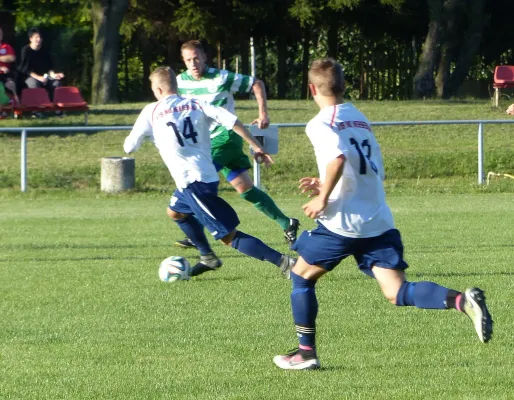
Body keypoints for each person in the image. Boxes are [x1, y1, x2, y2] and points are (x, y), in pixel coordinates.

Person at [272, 58, 493, 370]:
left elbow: (338, 158)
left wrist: (323, 197)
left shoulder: (319, 122)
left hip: (342, 223)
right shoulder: (359, 118)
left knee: (300, 276)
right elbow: (365, 168)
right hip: (377, 219)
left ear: (311, 89)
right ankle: (461, 301)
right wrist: (326, 184)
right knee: (397, 291)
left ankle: (305, 353)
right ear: (345, 86)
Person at [123, 66, 296, 278]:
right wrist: (256, 146)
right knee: (175, 212)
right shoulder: (196, 103)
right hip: (202, 178)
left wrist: (148, 136)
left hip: (194, 183)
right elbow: (232, 121)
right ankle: (207, 256)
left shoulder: (150, 111)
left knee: (229, 237)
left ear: (158, 89)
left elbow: (129, 147)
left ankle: (285, 263)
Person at [174, 40, 299, 250]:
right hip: (205, 144)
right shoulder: (180, 82)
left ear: (204, 57)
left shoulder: (221, 78)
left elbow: (256, 83)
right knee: (246, 189)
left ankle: (198, 229)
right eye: (188, 60)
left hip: (226, 137)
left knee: (198, 181)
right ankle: (287, 223)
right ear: (184, 61)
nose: (193, 63)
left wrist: (263, 113)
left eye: (196, 58)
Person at [18, 27, 64, 103]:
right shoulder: (25, 50)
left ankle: (56, 107)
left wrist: (53, 75)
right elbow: (25, 69)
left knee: (56, 83)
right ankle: (36, 108)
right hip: (30, 77)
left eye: (40, 37)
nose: (39, 39)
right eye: (36, 37)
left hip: (45, 76)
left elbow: (49, 67)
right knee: (34, 83)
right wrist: (39, 78)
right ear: (31, 39)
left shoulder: (44, 50)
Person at [0, 26, 18, 117]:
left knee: (11, 85)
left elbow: (11, 58)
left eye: (1, 33)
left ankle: (17, 111)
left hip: (6, 75)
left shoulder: (6, 47)